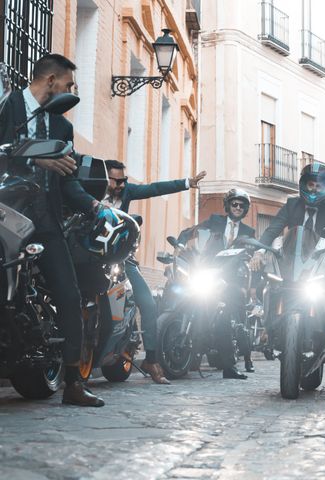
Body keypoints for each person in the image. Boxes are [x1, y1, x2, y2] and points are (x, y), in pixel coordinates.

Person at [0, 54, 106, 406]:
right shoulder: (8, 104)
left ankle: (74, 382)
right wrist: (32, 157)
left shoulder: (62, 127)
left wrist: (94, 205)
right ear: (50, 81)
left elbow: (69, 181)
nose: (71, 92)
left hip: (46, 222)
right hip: (5, 213)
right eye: (69, 85)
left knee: (69, 295)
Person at [102, 160, 206, 384]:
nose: (121, 185)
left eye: (124, 180)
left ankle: (151, 359)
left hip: (122, 257)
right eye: (116, 181)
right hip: (93, 256)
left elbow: (154, 189)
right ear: (105, 178)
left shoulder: (127, 192)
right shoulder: (91, 190)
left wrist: (187, 182)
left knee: (148, 304)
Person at [249, 162, 325, 343]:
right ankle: (268, 324)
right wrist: (259, 251)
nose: (313, 189)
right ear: (304, 185)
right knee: (265, 285)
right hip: (290, 260)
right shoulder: (291, 204)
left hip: (321, 261)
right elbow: (273, 229)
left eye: (318, 185)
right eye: (311, 185)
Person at [178, 188, 255, 379]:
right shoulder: (215, 221)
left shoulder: (248, 231)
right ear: (227, 205)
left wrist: (252, 256)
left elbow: (252, 251)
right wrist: (181, 243)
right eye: (234, 204)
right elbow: (195, 231)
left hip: (232, 279)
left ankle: (230, 367)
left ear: (245, 209)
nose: (238, 207)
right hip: (209, 272)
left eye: (242, 205)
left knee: (224, 318)